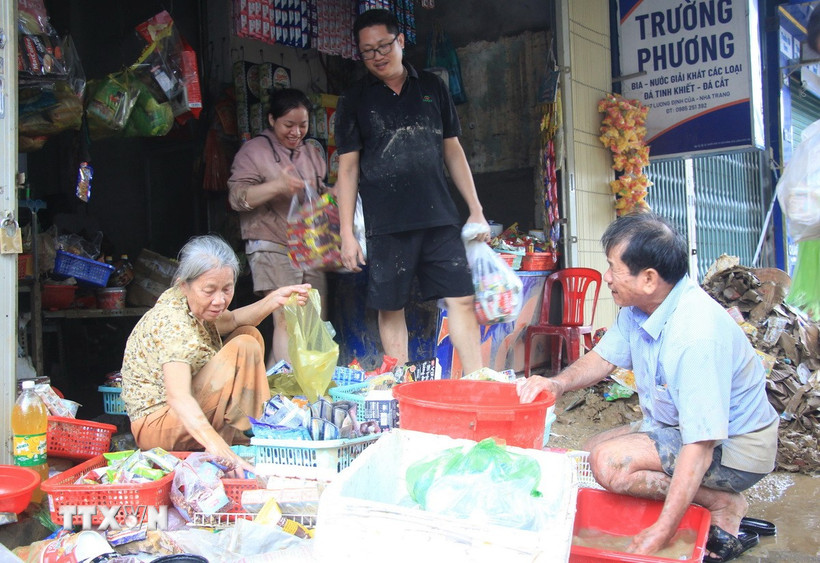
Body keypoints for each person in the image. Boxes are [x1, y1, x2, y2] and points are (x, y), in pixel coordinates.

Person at [518, 212, 778, 562]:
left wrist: (664, 529)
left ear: (649, 278)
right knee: (591, 450)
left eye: (613, 268)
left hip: (736, 447)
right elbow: (603, 359)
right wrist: (556, 383)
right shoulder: (641, 306)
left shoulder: (695, 336)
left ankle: (722, 502)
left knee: (610, 463)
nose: (606, 278)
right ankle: (700, 499)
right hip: (680, 426)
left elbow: (699, 445)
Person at [334, 8, 490, 375]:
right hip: (385, 223)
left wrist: (476, 208)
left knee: (462, 299)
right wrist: (345, 233)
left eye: (384, 46)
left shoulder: (433, 88)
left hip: (439, 217)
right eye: (367, 50)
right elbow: (348, 167)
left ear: (400, 41)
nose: (377, 56)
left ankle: (475, 382)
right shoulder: (353, 100)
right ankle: (401, 388)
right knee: (391, 306)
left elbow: (453, 150)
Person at [121, 235, 310, 473]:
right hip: (158, 428)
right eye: (209, 290)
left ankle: (234, 438)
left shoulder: (195, 306)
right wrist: (220, 451)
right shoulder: (172, 323)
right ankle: (228, 447)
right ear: (183, 285)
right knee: (244, 346)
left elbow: (233, 319)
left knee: (249, 334)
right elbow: (179, 398)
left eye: (227, 289)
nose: (219, 300)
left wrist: (275, 299)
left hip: (184, 415)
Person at [228, 88, 328, 368]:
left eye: (303, 125)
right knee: (287, 319)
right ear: (272, 119)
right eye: (289, 125)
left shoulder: (310, 153)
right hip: (270, 244)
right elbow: (238, 198)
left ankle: (274, 387)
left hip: (309, 247)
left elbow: (320, 195)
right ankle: (288, 391)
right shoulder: (254, 151)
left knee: (312, 320)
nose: (297, 132)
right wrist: (277, 186)